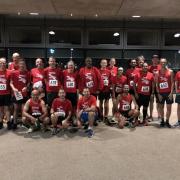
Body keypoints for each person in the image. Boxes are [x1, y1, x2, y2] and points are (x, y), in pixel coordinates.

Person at [10, 60, 30, 129]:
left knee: (23, 109)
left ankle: (23, 123)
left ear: (25, 65)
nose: (22, 65)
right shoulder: (14, 73)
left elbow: (28, 83)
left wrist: (26, 87)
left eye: (23, 64)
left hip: (24, 93)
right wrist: (14, 88)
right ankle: (15, 123)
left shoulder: (27, 73)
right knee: (16, 109)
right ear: (18, 65)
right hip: (16, 93)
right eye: (20, 64)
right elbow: (11, 83)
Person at [156, 58, 174, 128]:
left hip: (169, 93)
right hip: (161, 93)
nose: (163, 64)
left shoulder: (170, 72)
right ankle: (162, 121)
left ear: (166, 63)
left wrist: (171, 93)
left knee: (169, 108)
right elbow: (157, 84)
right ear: (160, 63)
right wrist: (158, 94)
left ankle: (167, 121)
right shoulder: (157, 73)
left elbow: (172, 83)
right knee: (161, 108)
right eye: (161, 62)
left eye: (164, 62)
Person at [148, 55, 161, 121]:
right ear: (152, 60)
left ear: (158, 60)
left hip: (159, 87)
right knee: (151, 101)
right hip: (150, 87)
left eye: (156, 59)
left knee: (158, 102)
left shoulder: (161, 67)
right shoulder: (149, 67)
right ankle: (151, 116)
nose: (155, 60)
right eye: (154, 59)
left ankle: (159, 116)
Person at [0, 58, 11, 129]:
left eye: (4, 63)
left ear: (6, 63)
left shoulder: (9, 72)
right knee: (0, 109)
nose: (3, 64)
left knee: (7, 109)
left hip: (7, 93)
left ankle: (8, 122)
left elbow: (11, 83)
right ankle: (0, 122)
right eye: (1, 63)